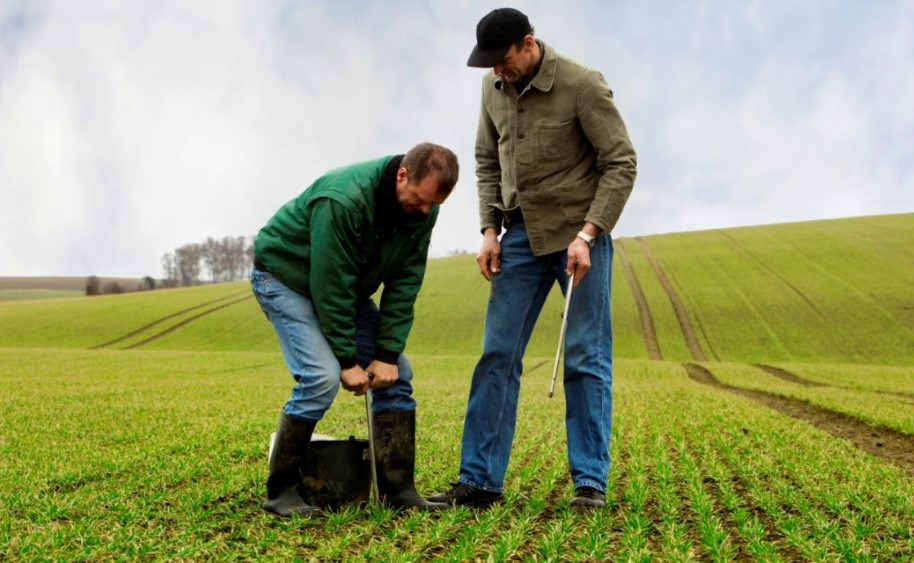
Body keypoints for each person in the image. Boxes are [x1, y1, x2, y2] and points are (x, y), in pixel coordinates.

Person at [429, 9, 637, 510]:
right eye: (489, 65)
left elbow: (621, 162)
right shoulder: (492, 88)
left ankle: (590, 482)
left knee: (586, 357)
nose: (497, 71)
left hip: (576, 239)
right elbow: (485, 160)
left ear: (528, 43)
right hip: (518, 237)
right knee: (496, 356)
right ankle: (478, 483)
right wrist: (488, 230)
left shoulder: (582, 85)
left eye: (502, 60)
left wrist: (589, 233)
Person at [251, 142, 459, 517]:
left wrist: (385, 355)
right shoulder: (344, 200)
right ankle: (281, 492)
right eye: (418, 200)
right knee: (321, 377)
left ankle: (397, 489)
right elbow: (330, 286)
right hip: (285, 279)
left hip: (343, 289)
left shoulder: (423, 210)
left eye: (433, 204)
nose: (425, 211)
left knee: (400, 373)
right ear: (401, 176)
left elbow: (405, 282)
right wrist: (348, 361)